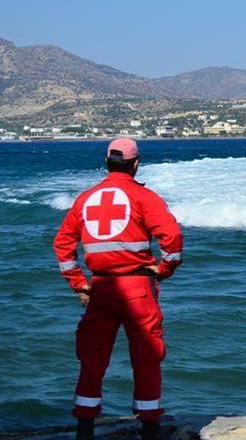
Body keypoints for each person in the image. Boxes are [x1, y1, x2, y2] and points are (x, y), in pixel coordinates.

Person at [53, 138, 183, 440]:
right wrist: (164, 269)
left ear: (106, 163)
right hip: (138, 288)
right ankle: (149, 430)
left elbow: (62, 245)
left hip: (99, 289)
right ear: (135, 164)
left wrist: (79, 284)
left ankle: (84, 431)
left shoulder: (85, 199)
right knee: (147, 358)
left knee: (92, 359)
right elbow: (172, 238)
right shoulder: (144, 197)